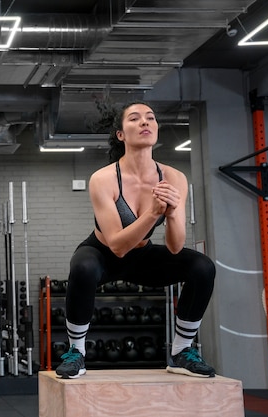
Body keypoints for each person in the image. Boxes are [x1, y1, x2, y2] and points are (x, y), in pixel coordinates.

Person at [55, 101, 216, 379]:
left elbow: (176, 247)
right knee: (81, 267)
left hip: (144, 256)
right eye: (135, 118)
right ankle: (77, 353)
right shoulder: (103, 179)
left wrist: (174, 213)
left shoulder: (174, 177)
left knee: (203, 267)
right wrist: (154, 213)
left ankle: (181, 352)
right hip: (103, 254)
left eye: (151, 118)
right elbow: (117, 246)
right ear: (121, 134)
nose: (145, 122)